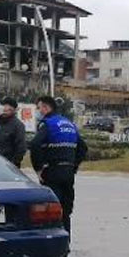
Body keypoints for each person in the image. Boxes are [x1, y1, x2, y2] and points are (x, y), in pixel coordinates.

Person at [29, 95, 86, 240]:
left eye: (39, 108)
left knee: (51, 211)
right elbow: (83, 147)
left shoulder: (48, 124)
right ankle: (65, 248)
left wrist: (39, 168)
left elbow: (35, 144)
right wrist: (74, 166)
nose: (38, 111)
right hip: (68, 173)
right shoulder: (69, 124)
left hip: (53, 172)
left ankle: (53, 248)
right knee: (65, 212)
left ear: (46, 107)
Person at [0, 96, 28, 167]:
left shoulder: (18, 125)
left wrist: (13, 163)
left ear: (14, 110)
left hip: (9, 166)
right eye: (3, 106)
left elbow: (21, 147)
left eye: (8, 107)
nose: (5, 109)